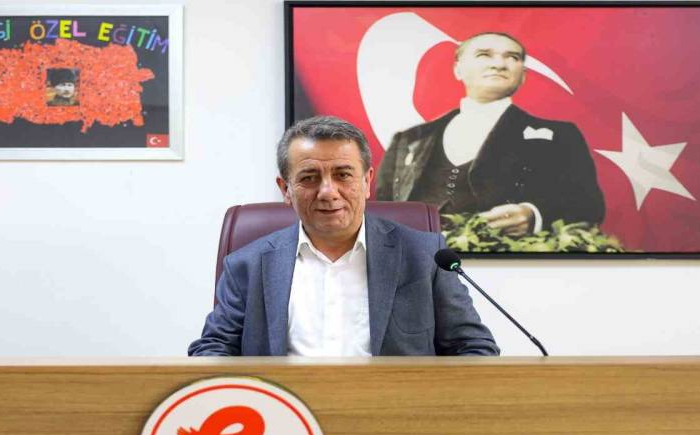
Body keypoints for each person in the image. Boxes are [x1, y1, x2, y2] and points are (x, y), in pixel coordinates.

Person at [188, 116, 498, 357]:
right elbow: (213, 350)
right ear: (286, 190)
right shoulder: (247, 264)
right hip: (286, 414)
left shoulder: (424, 256)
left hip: (393, 414)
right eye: (309, 178)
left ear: (367, 181)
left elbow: (474, 347)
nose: (327, 191)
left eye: (343, 175)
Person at [375, 32, 605, 237]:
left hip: (506, 263)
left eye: (512, 57)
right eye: (484, 55)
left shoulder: (561, 136)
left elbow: (589, 206)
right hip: (417, 260)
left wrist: (533, 214)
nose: (499, 64)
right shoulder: (409, 139)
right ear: (458, 69)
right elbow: (382, 210)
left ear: (523, 75)